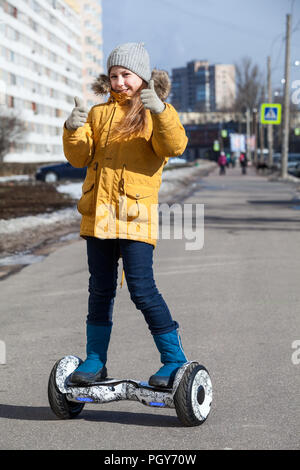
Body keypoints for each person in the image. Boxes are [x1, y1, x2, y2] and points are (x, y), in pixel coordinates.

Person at [62, 42, 188, 389]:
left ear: (142, 78)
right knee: (99, 290)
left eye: (126, 75)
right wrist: (73, 128)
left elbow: (174, 145)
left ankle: (174, 359)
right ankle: (95, 360)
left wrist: (161, 111)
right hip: (99, 217)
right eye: (114, 75)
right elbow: (79, 157)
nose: (119, 82)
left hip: (134, 217)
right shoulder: (98, 114)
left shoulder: (156, 113)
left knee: (142, 290)